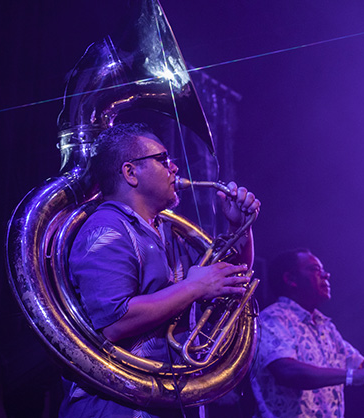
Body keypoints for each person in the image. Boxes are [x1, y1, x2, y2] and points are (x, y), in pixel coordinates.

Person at [60, 123, 260, 418]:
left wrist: (239, 226)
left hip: (168, 401)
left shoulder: (168, 229)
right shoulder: (106, 229)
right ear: (130, 173)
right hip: (117, 407)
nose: (175, 167)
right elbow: (114, 322)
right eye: (163, 159)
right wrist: (195, 288)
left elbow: (229, 279)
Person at [250, 248, 364, 418]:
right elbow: (287, 371)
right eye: (315, 269)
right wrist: (352, 376)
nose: (326, 274)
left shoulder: (325, 327)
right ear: (291, 279)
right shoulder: (272, 319)